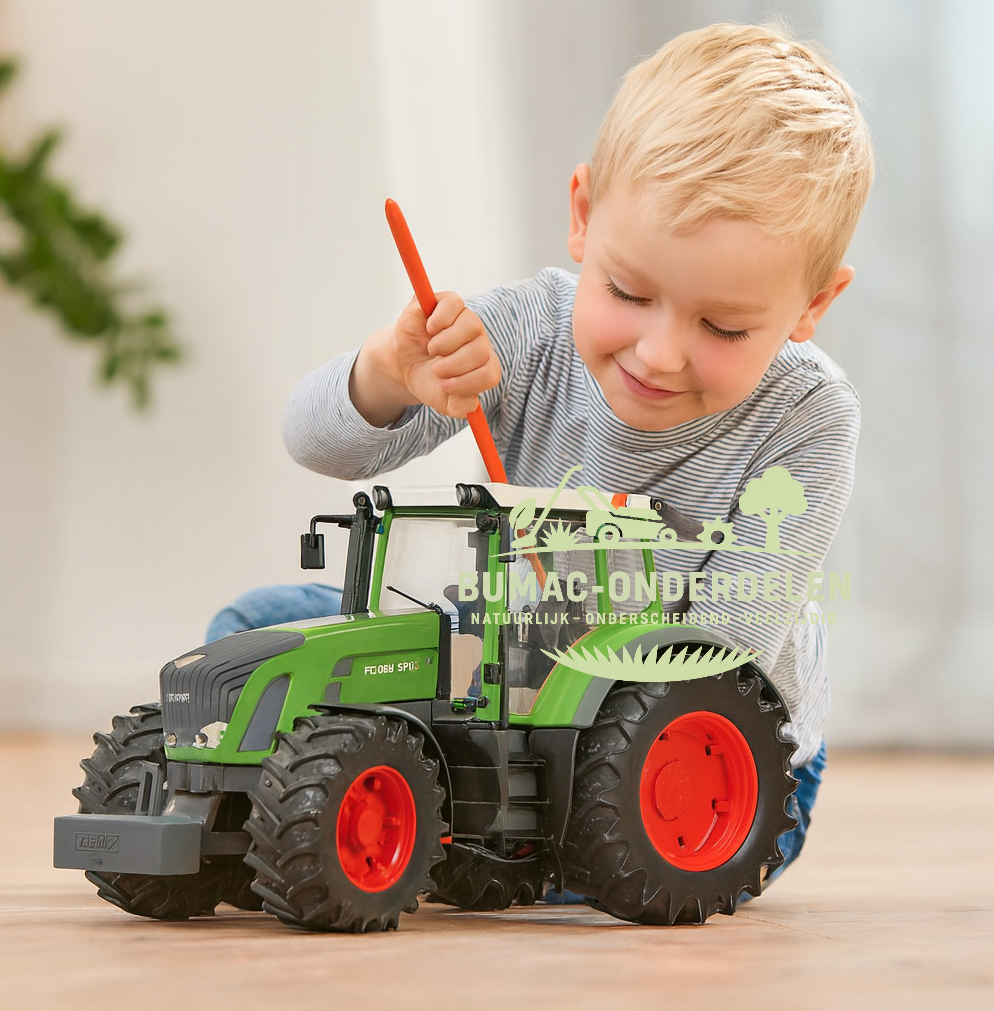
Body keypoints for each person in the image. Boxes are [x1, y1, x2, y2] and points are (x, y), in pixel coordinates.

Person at [210, 22, 873, 893]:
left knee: (592, 808)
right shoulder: (526, 331)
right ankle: (310, 816)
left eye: (722, 326)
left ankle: (462, 839)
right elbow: (314, 440)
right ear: (584, 217)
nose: (659, 353)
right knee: (257, 629)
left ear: (811, 304)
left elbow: (726, 642)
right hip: (496, 657)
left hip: (695, 744)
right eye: (629, 293)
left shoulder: (809, 415)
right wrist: (388, 374)